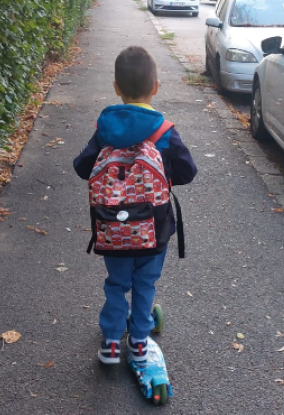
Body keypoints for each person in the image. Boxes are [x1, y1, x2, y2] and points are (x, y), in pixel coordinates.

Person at [73, 46, 197, 364]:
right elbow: (188, 171)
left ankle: (112, 342)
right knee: (145, 283)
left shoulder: (105, 130)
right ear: (155, 87)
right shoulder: (164, 132)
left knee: (117, 283)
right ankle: (139, 341)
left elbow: (82, 167)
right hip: (154, 229)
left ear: (116, 87)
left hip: (111, 226)